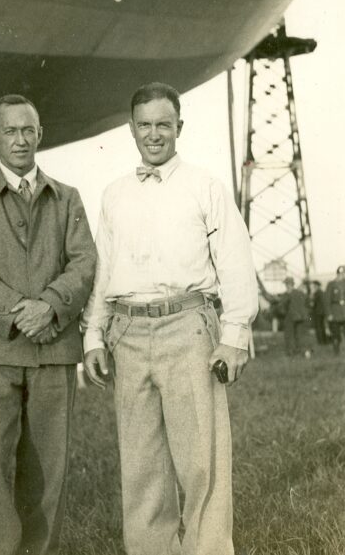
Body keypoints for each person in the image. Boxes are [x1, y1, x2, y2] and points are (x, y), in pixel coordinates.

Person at [82, 82, 259, 555]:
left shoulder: (205, 187)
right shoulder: (115, 194)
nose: (154, 134)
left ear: (179, 127)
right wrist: (94, 336)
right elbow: (104, 268)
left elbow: (236, 262)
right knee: (141, 465)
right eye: (145, 125)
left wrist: (236, 335)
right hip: (128, 332)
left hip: (188, 327)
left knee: (202, 461)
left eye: (164, 124)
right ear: (131, 129)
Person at [0, 93, 96, 555]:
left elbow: (85, 263)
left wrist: (51, 305)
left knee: (49, 468)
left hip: (54, 351)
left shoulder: (67, 197)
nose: (19, 140)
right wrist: (24, 312)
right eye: (9, 131)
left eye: (27, 130)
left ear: (39, 135)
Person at [281, 276, 311, 357]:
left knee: (291, 335)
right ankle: (300, 351)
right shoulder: (299, 293)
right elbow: (307, 301)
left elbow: (283, 307)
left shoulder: (287, 294)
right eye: (287, 284)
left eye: (287, 284)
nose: (287, 285)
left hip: (292, 317)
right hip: (299, 317)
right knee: (298, 335)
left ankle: (293, 352)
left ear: (290, 284)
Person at [323, 265, 345, 354]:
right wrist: (329, 314)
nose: (342, 275)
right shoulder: (331, 284)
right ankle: (336, 351)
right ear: (338, 274)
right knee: (335, 333)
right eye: (341, 274)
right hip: (335, 311)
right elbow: (327, 300)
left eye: (343, 274)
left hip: (344, 310)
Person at [309, 280, 328, 345]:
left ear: (317, 286)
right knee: (322, 326)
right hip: (322, 312)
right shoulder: (322, 292)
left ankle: (321, 341)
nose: (314, 287)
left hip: (317, 312)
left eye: (314, 286)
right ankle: (324, 340)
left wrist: (311, 297)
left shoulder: (316, 293)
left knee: (318, 327)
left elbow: (312, 303)